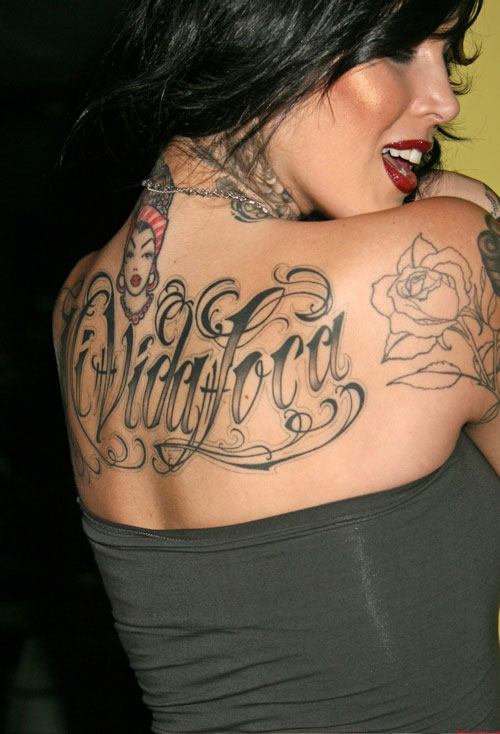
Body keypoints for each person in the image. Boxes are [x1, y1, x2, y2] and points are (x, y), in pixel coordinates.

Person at [52, 0, 500, 731]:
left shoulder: (80, 302)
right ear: (279, 28)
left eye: (446, 58)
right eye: (401, 50)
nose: (442, 100)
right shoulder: (435, 259)